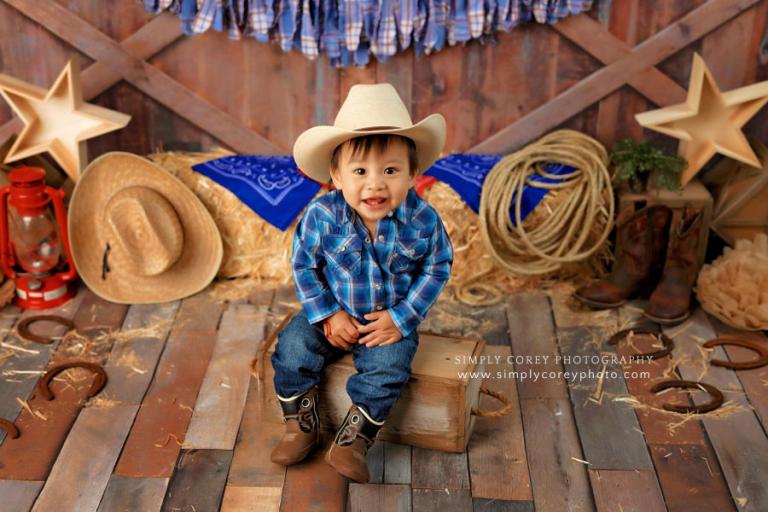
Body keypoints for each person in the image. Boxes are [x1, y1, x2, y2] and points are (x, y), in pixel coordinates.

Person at [270, 83, 453, 483]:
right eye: (360, 171)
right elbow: (303, 265)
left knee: (389, 367)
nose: (375, 184)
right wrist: (327, 313)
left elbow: (437, 267)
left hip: (386, 321)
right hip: (332, 312)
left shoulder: (423, 220)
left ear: (413, 175)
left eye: (390, 170)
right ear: (336, 176)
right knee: (292, 346)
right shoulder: (321, 214)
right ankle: (299, 425)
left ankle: (353, 440)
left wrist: (402, 318)